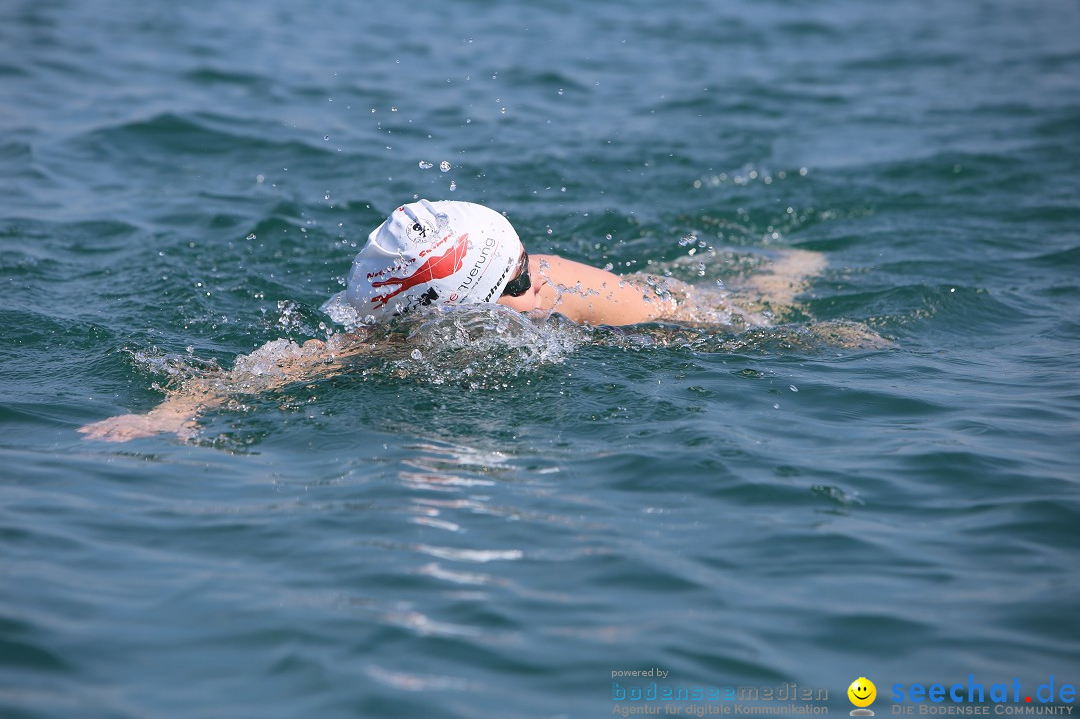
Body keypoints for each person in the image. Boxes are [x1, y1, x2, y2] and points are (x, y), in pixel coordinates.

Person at [79, 199, 835, 442]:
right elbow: (290, 363)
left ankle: (794, 262)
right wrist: (167, 413)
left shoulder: (597, 305)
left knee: (749, 305)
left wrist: (833, 341)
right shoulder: (412, 324)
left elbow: (737, 339)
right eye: (516, 282)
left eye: (524, 283)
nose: (527, 293)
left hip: (654, 311)